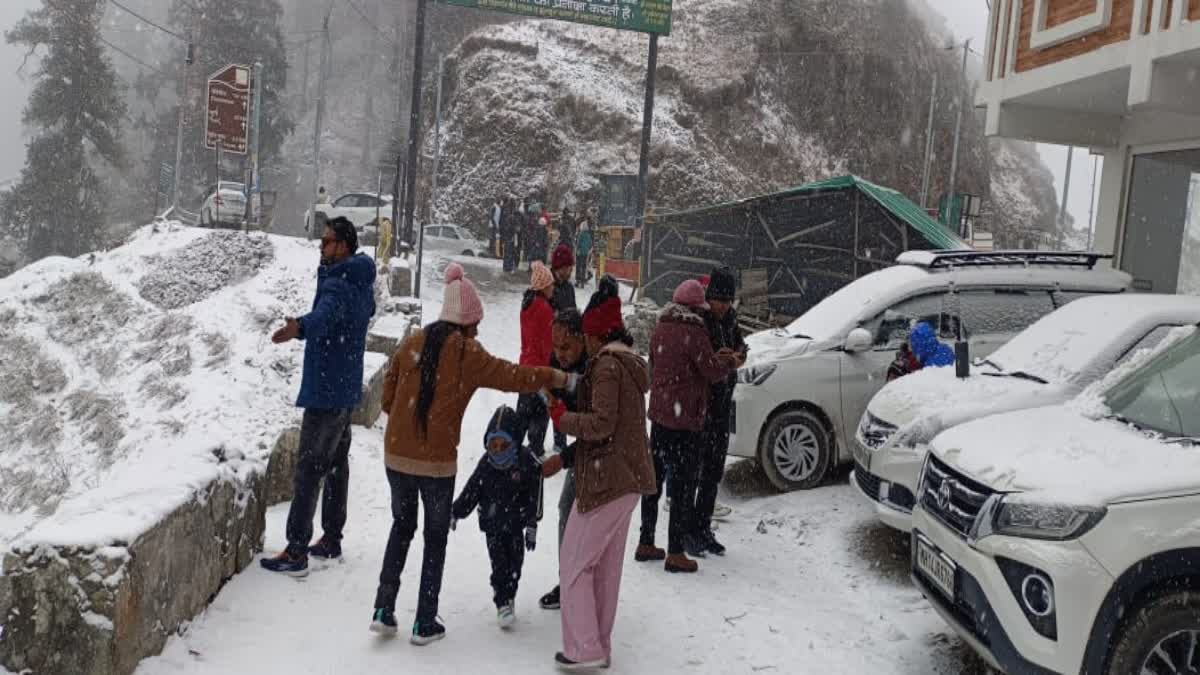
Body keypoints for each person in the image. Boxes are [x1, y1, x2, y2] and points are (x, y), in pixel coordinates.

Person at [370, 262, 569, 645]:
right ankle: (424, 621)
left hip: (396, 457)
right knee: (434, 537)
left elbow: (388, 398)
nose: (477, 331)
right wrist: (555, 377)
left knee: (402, 526)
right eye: (475, 324)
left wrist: (408, 426)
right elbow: (514, 375)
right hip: (436, 464)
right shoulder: (466, 353)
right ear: (465, 324)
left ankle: (383, 606)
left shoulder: (412, 342)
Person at [542, 275, 656, 670]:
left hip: (607, 479)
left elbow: (602, 424)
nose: (585, 346)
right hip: (629, 479)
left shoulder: (607, 366)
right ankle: (599, 646)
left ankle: (584, 648)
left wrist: (562, 417)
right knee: (605, 568)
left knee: (574, 562)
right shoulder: (626, 362)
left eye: (586, 338)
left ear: (596, 335)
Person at [262, 217, 376, 576]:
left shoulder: (338, 283)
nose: (321, 248)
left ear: (343, 245)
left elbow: (324, 316)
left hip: (326, 390)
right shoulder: (361, 281)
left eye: (326, 242)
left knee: (309, 470)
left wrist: (300, 327)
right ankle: (331, 537)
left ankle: (297, 550)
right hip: (345, 388)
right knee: (337, 465)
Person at [639, 279, 736, 573]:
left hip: (659, 416)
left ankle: (645, 542)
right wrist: (730, 362)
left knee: (653, 482)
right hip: (686, 422)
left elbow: (655, 366)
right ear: (696, 307)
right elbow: (710, 371)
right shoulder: (694, 331)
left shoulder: (660, 327)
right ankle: (676, 552)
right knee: (682, 487)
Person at [450, 405, 541, 629]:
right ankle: (502, 602)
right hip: (492, 525)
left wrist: (531, 523)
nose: (498, 451)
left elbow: (533, 494)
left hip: (516, 524)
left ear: (515, 443)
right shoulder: (486, 465)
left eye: (504, 445)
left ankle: (510, 593)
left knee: (515, 563)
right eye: (493, 445)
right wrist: (456, 512)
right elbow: (472, 491)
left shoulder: (525, 461)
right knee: (499, 564)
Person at [538, 309, 589, 611]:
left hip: (607, 456)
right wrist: (548, 398)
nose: (559, 354)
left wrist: (563, 460)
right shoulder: (557, 362)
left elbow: (598, 433)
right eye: (555, 346)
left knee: (587, 518)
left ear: (583, 339)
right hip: (584, 448)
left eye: (566, 346)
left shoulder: (598, 370)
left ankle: (584, 587)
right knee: (567, 510)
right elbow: (545, 389)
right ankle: (569, 581)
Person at [694, 267, 747, 556]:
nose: (723, 305)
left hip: (723, 402)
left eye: (727, 300)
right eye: (718, 299)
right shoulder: (701, 321)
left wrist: (738, 356)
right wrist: (719, 360)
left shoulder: (730, 318)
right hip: (703, 405)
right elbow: (701, 361)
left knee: (714, 470)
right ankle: (690, 527)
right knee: (696, 470)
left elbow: (741, 344)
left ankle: (704, 526)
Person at [516, 261, 557, 455]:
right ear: (543, 286)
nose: (554, 287)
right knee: (539, 420)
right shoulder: (545, 309)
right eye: (551, 284)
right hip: (540, 372)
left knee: (522, 418)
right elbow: (547, 345)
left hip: (525, 368)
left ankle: (514, 453)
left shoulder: (527, 306)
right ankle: (535, 456)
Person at [550, 244, 577, 312]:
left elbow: (573, 311)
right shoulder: (548, 287)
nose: (570, 271)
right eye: (568, 268)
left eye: (571, 268)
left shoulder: (569, 287)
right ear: (560, 267)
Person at [574, 221, 593, 289]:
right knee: (584, 267)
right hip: (585, 254)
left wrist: (578, 250)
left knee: (578, 266)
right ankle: (582, 281)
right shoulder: (588, 235)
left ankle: (577, 281)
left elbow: (578, 242)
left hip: (580, 253)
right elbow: (590, 245)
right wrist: (588, 251)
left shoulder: (581, 234)